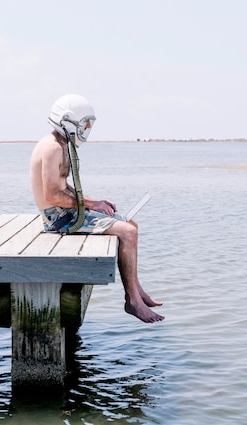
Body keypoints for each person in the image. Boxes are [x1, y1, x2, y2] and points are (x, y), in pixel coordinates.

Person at [30, 94, 164, 323]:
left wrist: (96, 202)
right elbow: (51, 194)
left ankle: (137, 290)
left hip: (66, 212)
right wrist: (91, 205)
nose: (85, 129)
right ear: (67, 121)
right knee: (128, 232)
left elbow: (64, 188)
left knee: (131, 224)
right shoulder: (53, 147)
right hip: (58, 219)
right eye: (83, 124)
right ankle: (132, 301)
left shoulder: (61, 143)